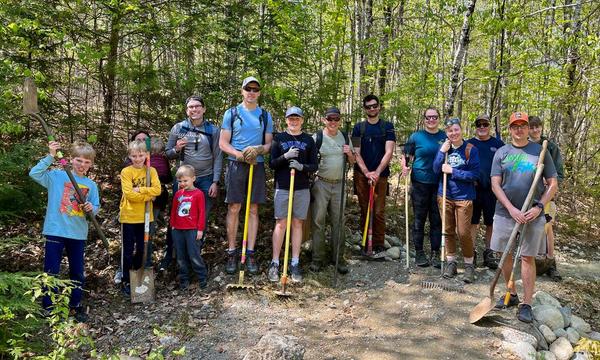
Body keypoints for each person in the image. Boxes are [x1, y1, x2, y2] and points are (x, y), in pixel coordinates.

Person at [491, 112, 558, 323]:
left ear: (529, 128)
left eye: (523, 125)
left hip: (532, 213)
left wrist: (539, 207)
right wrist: (511, 209)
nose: (519, 129)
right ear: (510, 129)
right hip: (506, 212)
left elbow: (552, 184)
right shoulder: (501, 152)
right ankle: (511, 292)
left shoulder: (541, 151)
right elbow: (495, 184)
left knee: (528, 257)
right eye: (515, 126)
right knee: (504, 254)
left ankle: (527, 303)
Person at [29, 141, 100, 323]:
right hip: (56, 231)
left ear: (91, 164)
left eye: (86, 162)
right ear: (70, 159)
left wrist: (91, 208)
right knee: (51, 271)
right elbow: (34, 173)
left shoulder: (91, 185)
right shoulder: (57, 177)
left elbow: (95, 208)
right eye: (78, 160)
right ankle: (49, 306)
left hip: (77, 234)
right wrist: (51, 156)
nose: (82, 165)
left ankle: (75, 305)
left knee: (77, 271)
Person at [219, 77, 273, 275]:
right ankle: (232, 251)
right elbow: (223, 143)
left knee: (253, 208)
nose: (251, 92)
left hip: (256, 166)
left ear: (259, 93)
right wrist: (239, 155)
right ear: (242, 91)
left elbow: (268, 145)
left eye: (255, 89)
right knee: (234, 207)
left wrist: (259, 150)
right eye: (248, 88)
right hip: (236, 165)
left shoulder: (265, 116)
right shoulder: (231, 113)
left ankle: (250, 252)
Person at [164, 96, 222, 270]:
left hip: (205, 179)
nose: (194, 110)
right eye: (190, 107)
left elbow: (218, 156)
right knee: (177, 217)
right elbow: (168, 153)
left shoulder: (213, 130)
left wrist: (215, 181)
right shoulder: (178, 128)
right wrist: (177, 149)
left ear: (204, 109)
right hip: (182, 180)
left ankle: (194, 259)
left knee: (199, 219)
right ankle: (172, 256)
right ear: (186, 110)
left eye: (197, 106)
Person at [267, 107, 318, 283]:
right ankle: (275, 262)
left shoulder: (308, 140)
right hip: (283, 187)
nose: (293, 121)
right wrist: (285, 156)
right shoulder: (279, 138)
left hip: (302, 187)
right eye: (290, 118)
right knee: (281, 223)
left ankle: (295, 262)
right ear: (286, 120)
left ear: (302, 120)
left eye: (297, 118)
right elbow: (272, 164)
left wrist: (301, 166)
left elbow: (314, 165)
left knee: (297, 223)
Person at [433, 118, 480, 283]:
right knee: (447, 230)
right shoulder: (444, 149)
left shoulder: (470, 149)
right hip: (445, 195)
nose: (453, 133)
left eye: (456, 129)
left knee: (463, 232)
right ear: (446, 133)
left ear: (461, 130)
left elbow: (475, 175)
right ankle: (451, 262)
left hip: (464, 197)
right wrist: (441, 152)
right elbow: (435, 168)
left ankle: (468, 265)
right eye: (450, 131)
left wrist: (453, 171)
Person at [309, 107, 355, 274]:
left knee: (338, 222)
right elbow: (309, 160)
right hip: (321, 184)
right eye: (330, 119)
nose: (333, 122)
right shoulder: (317, 138)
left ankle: (338, 259)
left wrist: (349, 153)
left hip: (340, 185)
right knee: (318, 222)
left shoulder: (344, 136)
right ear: (324, 120)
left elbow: (353, 161)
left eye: (336, 119)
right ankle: (317, 259)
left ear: (340, 120)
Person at [402, 107, 446, 267]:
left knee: (436, 219)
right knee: (419, 219)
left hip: (439, 183)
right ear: (424, 119)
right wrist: (404, 167)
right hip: (419, 183)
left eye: (434, 117)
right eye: (428, 117)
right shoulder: (416, 136)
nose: (431, 120)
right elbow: (406, 155)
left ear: (438, 118)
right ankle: (419, 253)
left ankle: (435, 253)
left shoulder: (445, 136)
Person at [352, 94, 396, 257]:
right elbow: (356, 153)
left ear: (379, 107)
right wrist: (366, 172)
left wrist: (376, 173)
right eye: (368, 106)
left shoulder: (388, 127)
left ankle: (377, 243)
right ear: (365, 109)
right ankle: (365, 241)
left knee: (378, 210)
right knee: (365, 208)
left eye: (374, 105)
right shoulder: (358, 128)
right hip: (361, 175)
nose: (372, 109)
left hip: (381, 175)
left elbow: (389, 151)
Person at [119, 140, 162, 296]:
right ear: (129, 156)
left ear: (146, 155)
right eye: (134, 156)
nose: (137, 159)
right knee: (128, 251)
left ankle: (137, 278)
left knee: (142, 249)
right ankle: (125, 280)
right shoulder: (126, 172)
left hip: (145, 218)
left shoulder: (151, 171)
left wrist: (141, 189)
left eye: (140, 155)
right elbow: (129, 194)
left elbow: (157, 190)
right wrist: (147, 196)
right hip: (129, 217)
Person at [529, 115, 564, 281]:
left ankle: (551, 264)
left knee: (547, 226)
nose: (535, 130)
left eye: (538, 127)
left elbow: (559, 174)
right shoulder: (524, 146)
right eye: (532, 127)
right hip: (528, 195)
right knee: (531, 229)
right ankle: (532, 262)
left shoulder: (550, 147)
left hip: (546, 194)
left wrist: (549, 182)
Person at [467, 115, 504, 269]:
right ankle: (471, 252)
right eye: (479, 125)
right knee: (472, 222)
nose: (482, 127)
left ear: (489, 126)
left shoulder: (498, 144)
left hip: (492, 190)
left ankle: (489, 253)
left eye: (485, 124)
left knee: (491, 222)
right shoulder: (469, 144)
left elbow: (506, 165)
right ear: (475, 127)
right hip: (473, 189)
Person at [170, 165, 208, 290]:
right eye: (180, 181)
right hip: (178, 230)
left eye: (185, 180)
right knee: (181, 256)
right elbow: (174, 210)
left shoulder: (198, 194)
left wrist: (200, 229)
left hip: (192, 230)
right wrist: (173, 226)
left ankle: (202, 277)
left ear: (193, 178)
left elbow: (202, 213)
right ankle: (184, 279)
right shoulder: (178, 194)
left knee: (193, 254)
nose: (182, 183)